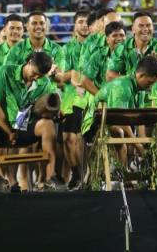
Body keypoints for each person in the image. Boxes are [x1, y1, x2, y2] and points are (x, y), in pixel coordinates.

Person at [0, 52, 66, 193]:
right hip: (4, 128)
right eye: (35, 73)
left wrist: (56, 110)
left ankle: (50, 178)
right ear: (29, 62)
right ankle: (0, 179)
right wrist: (8, 130)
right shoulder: (5, 71)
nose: (36, 78)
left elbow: (48, 104)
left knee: (48, 125)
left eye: (40, 76)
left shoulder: (44, 82)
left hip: (26, 129)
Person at [94, 56, 157, 166]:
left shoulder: (142, 89)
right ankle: (119, 175)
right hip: (96, 121)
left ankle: (129, 175)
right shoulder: (122, 87)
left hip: (115, 120)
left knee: (134, 138)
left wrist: (142, 143)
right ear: (141, 75)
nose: (151, 86)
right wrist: (137, 144)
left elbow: (139, 120)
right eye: (150, 82)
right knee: (119, 133)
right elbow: (119, 119)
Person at [59, 11, 89, 190]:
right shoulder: (67, 48)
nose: (84, 25)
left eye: (87, 22)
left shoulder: (96, 46)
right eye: (80, 22)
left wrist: (80, 80)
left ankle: (85, 175)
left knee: (80, 139)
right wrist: (73, 76)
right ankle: (76, 173)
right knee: (67, 139)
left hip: (88, 99)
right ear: (75, 26)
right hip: (70, 99)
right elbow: (62, 76)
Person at [0, 14, 24, 83]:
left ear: (23, 31)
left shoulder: (30, 51)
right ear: (5, 30)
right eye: (12, 28)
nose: (15, 31)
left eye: (19, 28)